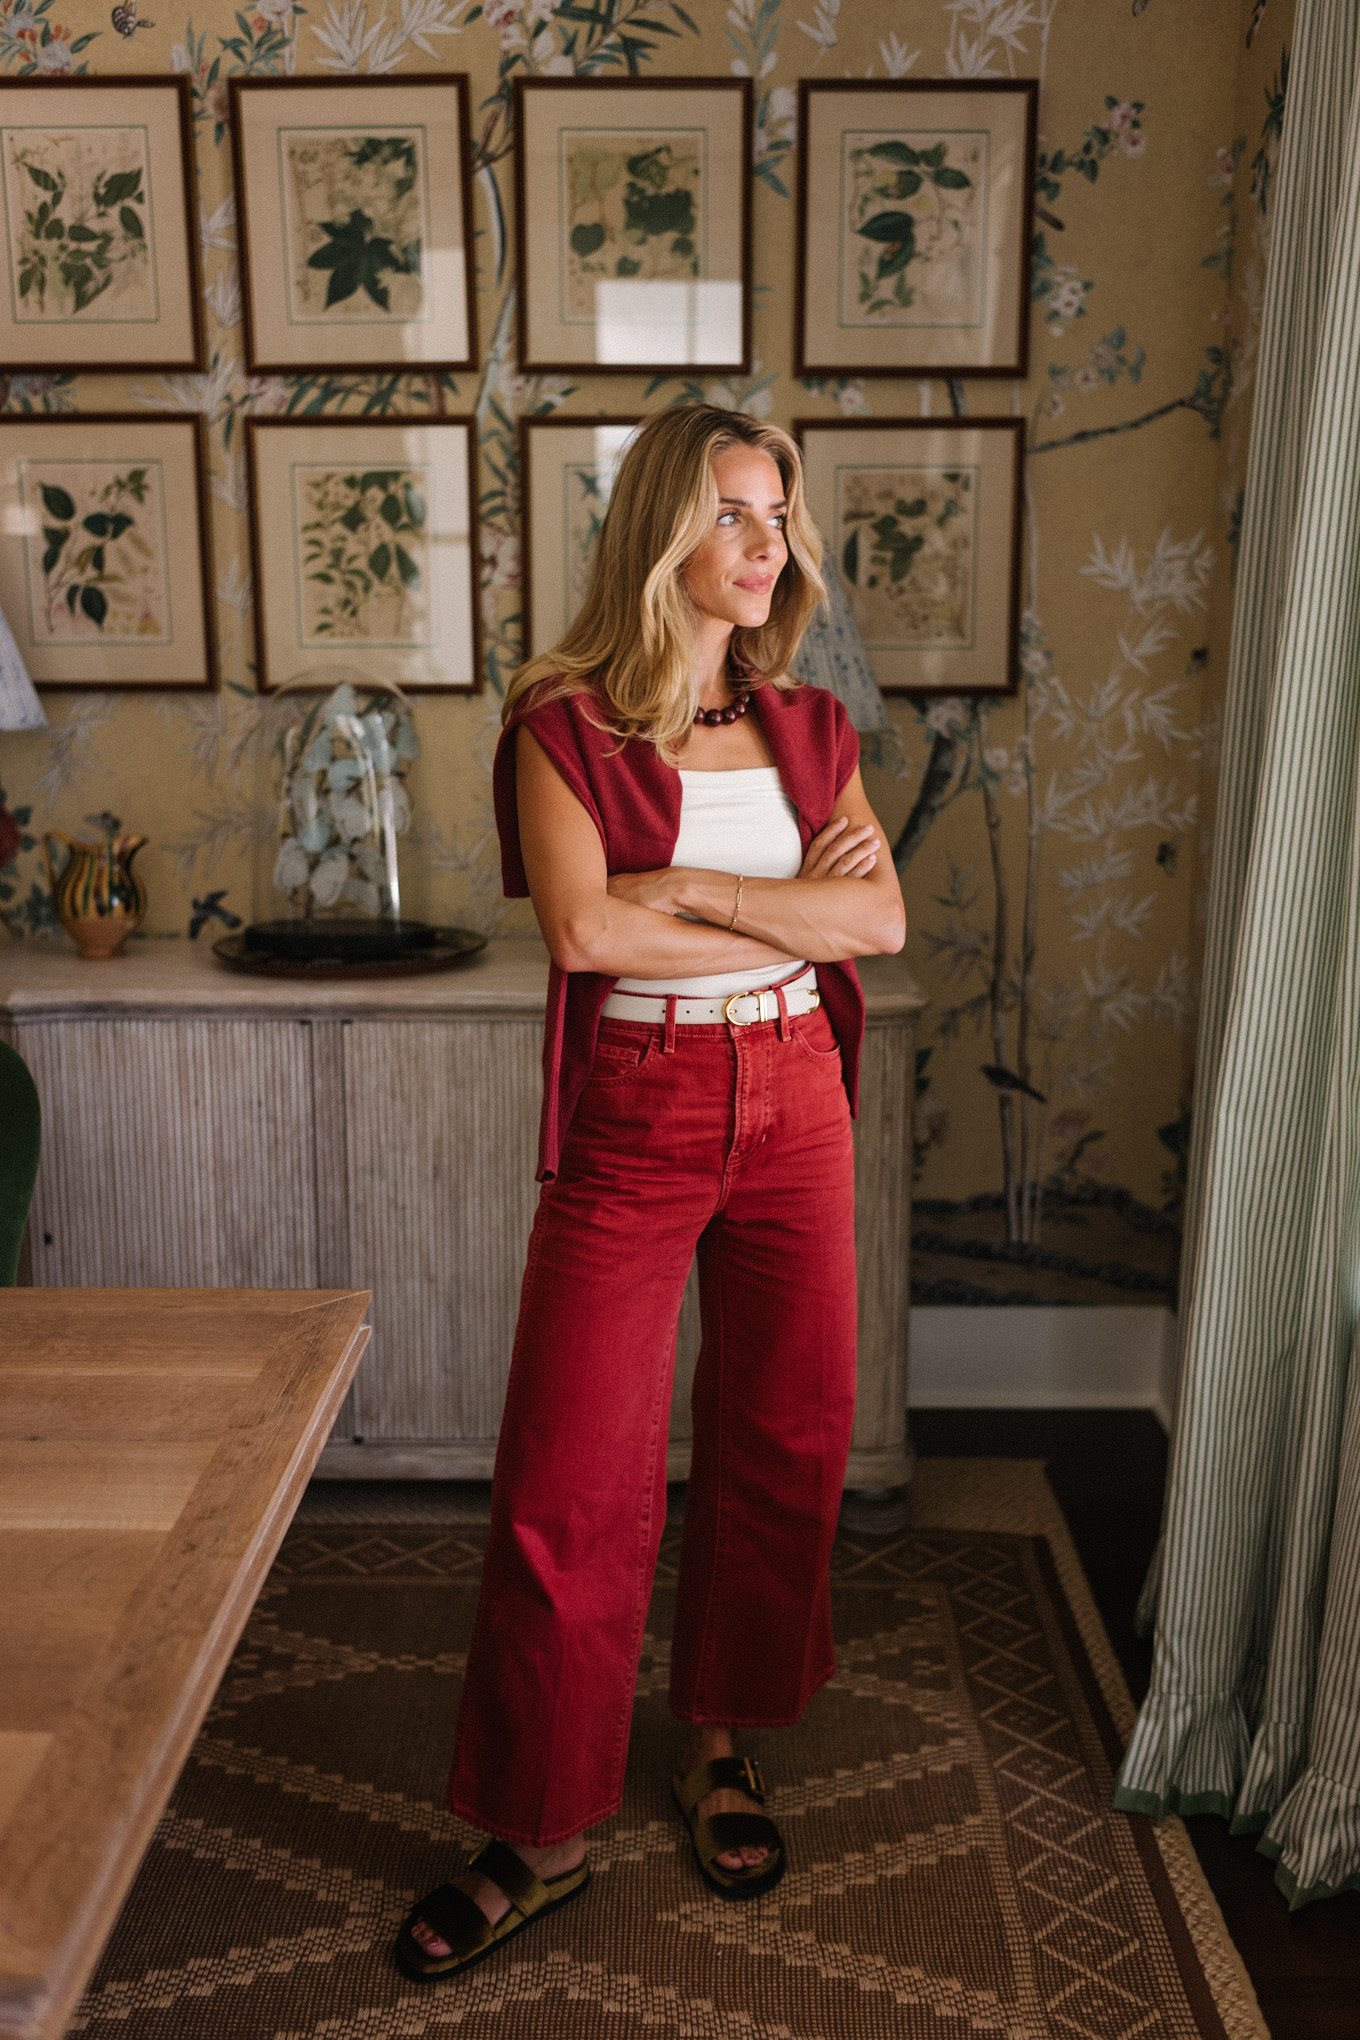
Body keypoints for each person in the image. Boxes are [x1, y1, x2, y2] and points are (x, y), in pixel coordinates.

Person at [395, 404, 906, 1984]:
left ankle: (720, 1743)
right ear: (664, 535)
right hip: (642, 1106)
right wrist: (790, 917)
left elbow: (876, 926)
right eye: (741, 516)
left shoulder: (814, 729)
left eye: (781, 518)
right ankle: (541, 1833)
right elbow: (585, 942)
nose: (773, 547)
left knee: (786, 1434)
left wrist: (693, 885)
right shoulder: (559, 727)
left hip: (797, 1104)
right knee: (571, 1473)